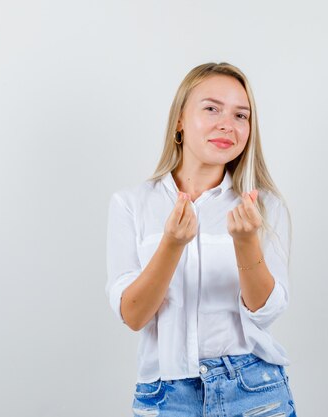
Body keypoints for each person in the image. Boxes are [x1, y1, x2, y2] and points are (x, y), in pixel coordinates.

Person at [105, 62, 298, 416]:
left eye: (241, 115)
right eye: (211, 108)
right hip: (165, 397)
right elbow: (133, 315)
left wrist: (246, 242)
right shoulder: (131, 204)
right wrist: (172, 244)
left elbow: (265, 312)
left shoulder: (265, 206)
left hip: (254, 390)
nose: (227, 124)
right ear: (179, 119)